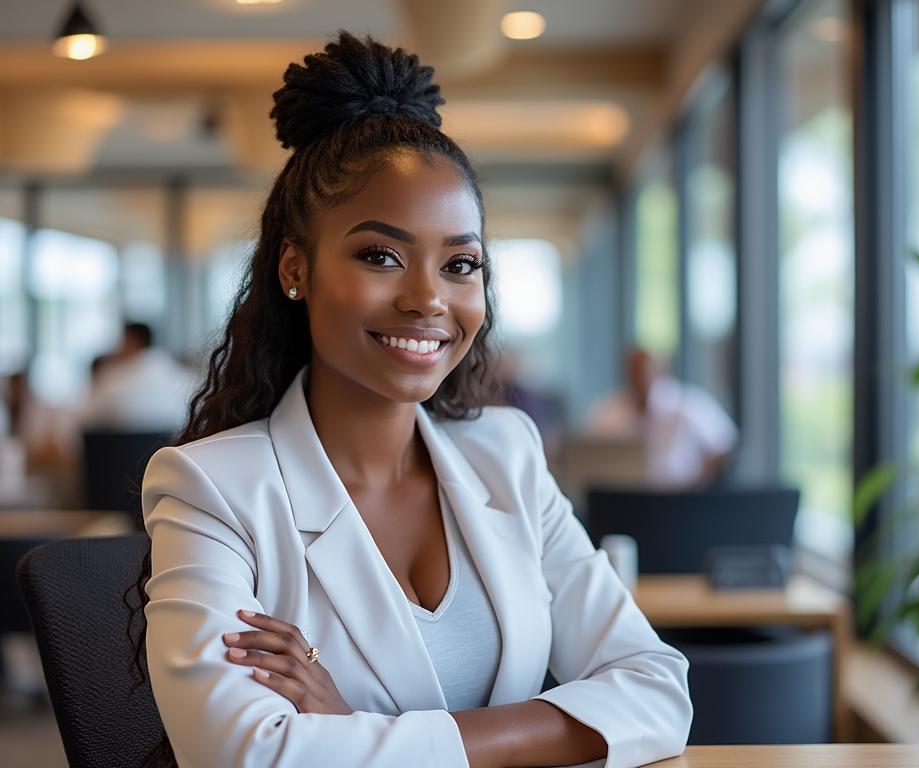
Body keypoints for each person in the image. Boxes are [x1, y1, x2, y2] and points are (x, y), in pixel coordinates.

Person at [134, 32, 692, 768]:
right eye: (380, 256)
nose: (429, 298)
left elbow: (658, 692)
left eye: (460, 263)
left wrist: (349, 726)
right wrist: (541, 732)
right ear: (295, 268)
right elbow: (243, 756)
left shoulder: (507, 455)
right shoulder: (214, 490)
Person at [587, 347, 737, 488]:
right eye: (635, 373)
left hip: (678, 497)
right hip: (621, 496)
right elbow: (586, 453)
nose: (641, 379)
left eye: (646, 372)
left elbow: (725, 446)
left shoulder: (689, 405)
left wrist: (699, 485)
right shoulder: (609, 410)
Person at [79, 322, 197, 433]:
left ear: (132, 342)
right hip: (169, 450)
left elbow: (84, 417)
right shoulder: (184, 378)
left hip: (117, 452)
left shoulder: (114, 379)